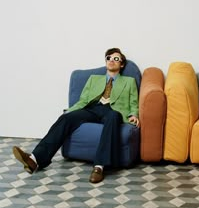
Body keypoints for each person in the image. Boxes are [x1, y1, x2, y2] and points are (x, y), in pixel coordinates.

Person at [13, 48, 140, 183]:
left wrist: (134, 114)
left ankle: (99, 166)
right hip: (93, 108)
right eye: (109, 58)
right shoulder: (94, 79)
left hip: (113, 111)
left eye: (116, 59)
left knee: (113, 117)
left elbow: (133, 102)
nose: (111, 61)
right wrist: (71, 110)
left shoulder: (129, 81)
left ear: (121, 64)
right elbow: (84, 100)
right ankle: (35, 159)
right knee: (65, 118)